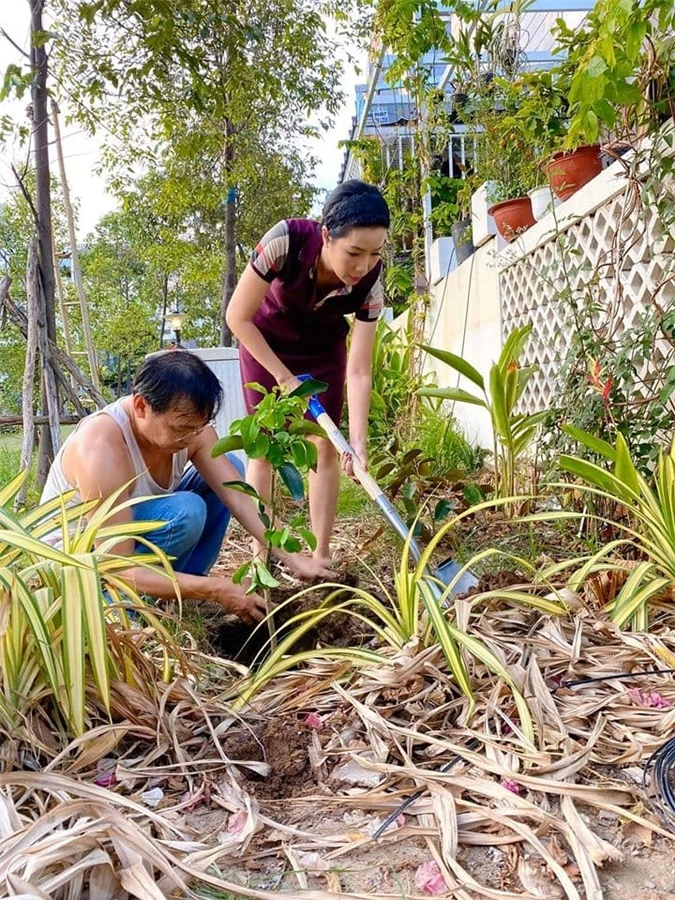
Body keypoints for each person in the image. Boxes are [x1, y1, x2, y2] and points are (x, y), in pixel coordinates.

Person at [40, 351, 332, 624]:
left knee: (230, 467)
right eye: (181, 428)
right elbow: (116, 568)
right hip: (83, 568)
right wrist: (216, 590)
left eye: (198, 427)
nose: (191, 437)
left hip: (131, 541)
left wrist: (294, 558)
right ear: (141, 405)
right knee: (186, 511)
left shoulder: (192, 430)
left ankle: (183, 593)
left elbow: (239, 498)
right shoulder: (101, 447)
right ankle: (128, 612)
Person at [226, 179, 390, 567]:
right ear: (326, 236)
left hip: (322, 351)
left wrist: (358, 441)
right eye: (354, 252)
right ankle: (261, 555)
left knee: (325, 446)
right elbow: (237, 316)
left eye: (374, 254)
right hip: (265, 343)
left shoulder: (371, 282)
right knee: (263, 448)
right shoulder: (285, 241)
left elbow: (360, 368)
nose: (363, 265)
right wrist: (283, 378)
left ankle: (321, 556)